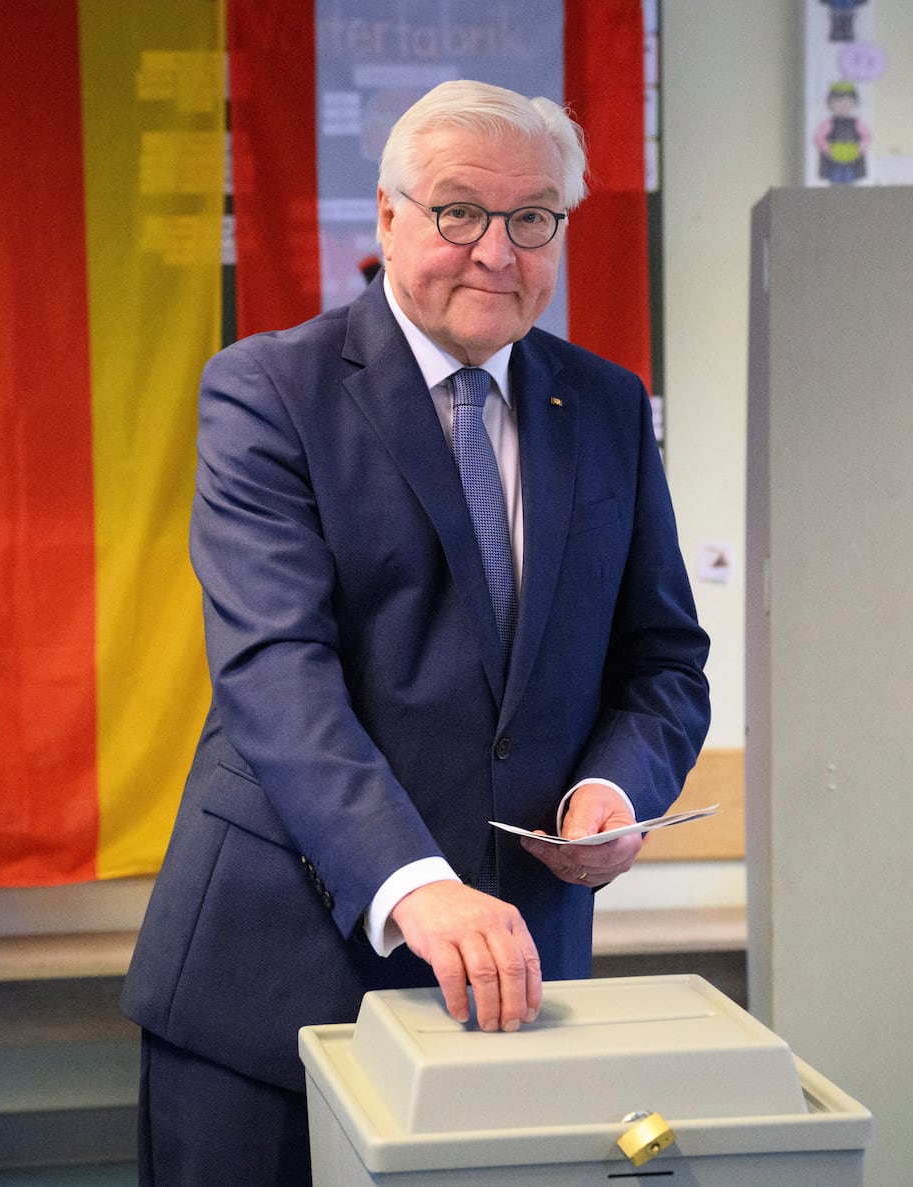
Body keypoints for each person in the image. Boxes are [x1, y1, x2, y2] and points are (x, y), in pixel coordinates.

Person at [122, 78, 710, 1184]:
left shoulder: (606, 404)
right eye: (458, 211)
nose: (496, 250)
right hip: (276, 991)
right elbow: (275, 673)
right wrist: (412, 878)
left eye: (532, 217)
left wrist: (617, 786)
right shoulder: (268, 391)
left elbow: (663, 661)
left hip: (514, 996)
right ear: (388, 217)